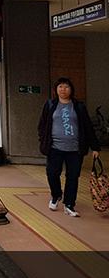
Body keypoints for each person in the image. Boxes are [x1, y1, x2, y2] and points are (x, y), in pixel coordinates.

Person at [37, 77, 101, 217]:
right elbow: (42, 125)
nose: (63, 90)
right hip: (55, 148)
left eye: (66, 87)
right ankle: (56, 195)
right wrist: (43, 140)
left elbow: (87, 127)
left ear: (71, 89)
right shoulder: (50, 105)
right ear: (56, 89)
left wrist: (95, 147)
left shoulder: (78, 106)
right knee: (52, 173)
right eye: (60, 87)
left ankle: (69, 204)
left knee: (73, 176)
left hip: (75, 149)